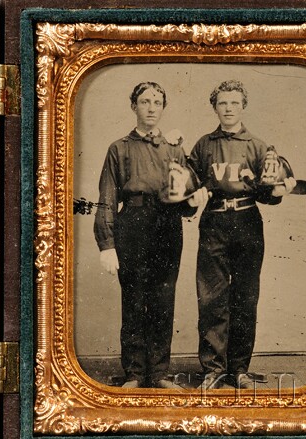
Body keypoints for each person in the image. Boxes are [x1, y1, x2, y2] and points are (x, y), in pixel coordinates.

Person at [187, 80, 296, 390]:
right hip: (214, 223)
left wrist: (280, 190)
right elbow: (187, 183)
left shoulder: (258, 146)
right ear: (215, 107)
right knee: (211, 298)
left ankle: (240, 370)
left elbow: (268, 193)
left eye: (235, 103)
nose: (229, 108)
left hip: (247, 222)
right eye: (223, 103)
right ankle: (213, 370)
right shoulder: (204, 145)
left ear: (243, 106)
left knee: (246, 298)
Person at [94, 82, 202, 389]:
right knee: (134, 298)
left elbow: (185, 198)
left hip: (167, 226)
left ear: (163, 108)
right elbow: (106, 197)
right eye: (145, 101)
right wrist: (107, 243)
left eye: (157, 102)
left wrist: (191, 201)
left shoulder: (174, 149)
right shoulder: (119, 148)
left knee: (163, 299)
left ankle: (159, 374)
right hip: (133, 225)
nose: (151, 107)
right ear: (134, 106)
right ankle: (134, 374)